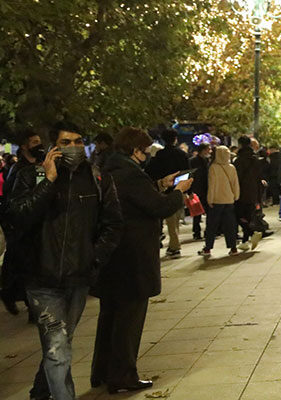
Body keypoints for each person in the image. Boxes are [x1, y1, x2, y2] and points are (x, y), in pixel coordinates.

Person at [7, 121, 123, 400]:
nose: (74, 147)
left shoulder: (97, 178)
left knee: (61, 343)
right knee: (57, 347)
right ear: (52, 148)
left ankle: (40, 390)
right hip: (41, 279)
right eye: (66, 143)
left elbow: (113, 223)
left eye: (79, 141)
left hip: (79, 277)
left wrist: (94, 258)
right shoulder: (29, 177)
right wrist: (47, 182)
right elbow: (16, 217)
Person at [91, 127, 192, 394]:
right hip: (132, 257)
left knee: (110, 316)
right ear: (135, 150)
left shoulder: (113, 170)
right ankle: (123, 375)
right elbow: (158, 207)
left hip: (114, 258)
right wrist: (179, 192)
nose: (147, 154)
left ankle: (102, 371)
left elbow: (139, 198)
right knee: (129, 319)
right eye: (145, 150)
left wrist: (160, 185)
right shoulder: (129, 174)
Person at [0, 128, 43, 317]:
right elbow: (11, 201)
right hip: (22, 226)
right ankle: (20, 298)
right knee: (25, 266)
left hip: (37, 223)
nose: (39, 146)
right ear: (24, 146)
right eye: (34, 143)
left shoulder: (41, 165)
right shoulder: (17, 171)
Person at [145, 129, 189, 257]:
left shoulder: (160, 155)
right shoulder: (181, 154)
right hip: (180, 188)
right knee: (174, 220)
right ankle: (174, 245)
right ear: (175, 139)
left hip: (165, 189)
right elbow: (187, 171)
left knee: (171, 220)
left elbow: (151, 172)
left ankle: (175, 247)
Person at [199, 146, 240, 256]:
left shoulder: (213, 168)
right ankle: (233, 248)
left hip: (217, 200)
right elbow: (235, 184)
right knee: (230, 225)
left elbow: (212, 185)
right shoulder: (231, 167)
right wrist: (236, 196)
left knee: (212, 225)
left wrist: (210, 199)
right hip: (229, 199)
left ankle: (208, 248)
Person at [233, 136, 264, 251]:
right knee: (248, 216)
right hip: (253, 192)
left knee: (238, 216)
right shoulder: (255, 159)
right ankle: (245, 241)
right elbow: (259, 177)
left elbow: (237, 178)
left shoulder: (238, 160)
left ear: (240, 144)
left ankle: (252, 233)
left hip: (241, 193)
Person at [188, 143, 212, 240]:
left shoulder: (207, 161)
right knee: (197, 212)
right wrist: (190, 191)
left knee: (209, 211)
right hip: (197, 189)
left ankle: (208, 231)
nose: (209, 151)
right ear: (203, 150)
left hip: (206, 188)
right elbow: (191, 175)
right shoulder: (193, 161)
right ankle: (196, 232)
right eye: (208, 149)